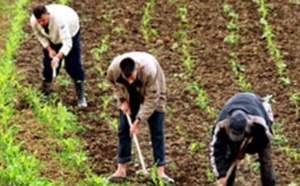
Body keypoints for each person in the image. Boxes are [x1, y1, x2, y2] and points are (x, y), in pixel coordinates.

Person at [106, 51, 174, 184]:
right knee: (123, 130)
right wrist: (122, 100)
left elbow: (151, 100)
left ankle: (160, 172)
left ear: (136, 69)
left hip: (154, 94)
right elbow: (113, 83)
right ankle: (121, 170)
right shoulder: (113, 70)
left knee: (157, 132)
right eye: (127, 79)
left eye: (132, 77)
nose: (130, 81)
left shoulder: (149, 71)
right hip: (129, 95)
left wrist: (138, 121)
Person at [209, 92, 276, 186]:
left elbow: (264, 140)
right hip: (239, 114)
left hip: (260, 115)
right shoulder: (221, 125)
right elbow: (216, 150)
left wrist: (248, 149)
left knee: (265, 159)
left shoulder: (259, 122)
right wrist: (221, 175)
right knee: (230, 155)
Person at [30, 4, 87, 107]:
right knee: (48, 64)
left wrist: (57, 57)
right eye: (39, 21)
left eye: (43, 20)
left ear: (48, 15)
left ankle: (81, 96)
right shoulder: (34, 21)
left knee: (73, 64)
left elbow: (68, 43)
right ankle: (45, 92)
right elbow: (40, 35)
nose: (41, 23)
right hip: (52, 37)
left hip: (71, 32)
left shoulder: (60, 21)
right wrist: (49, 49)